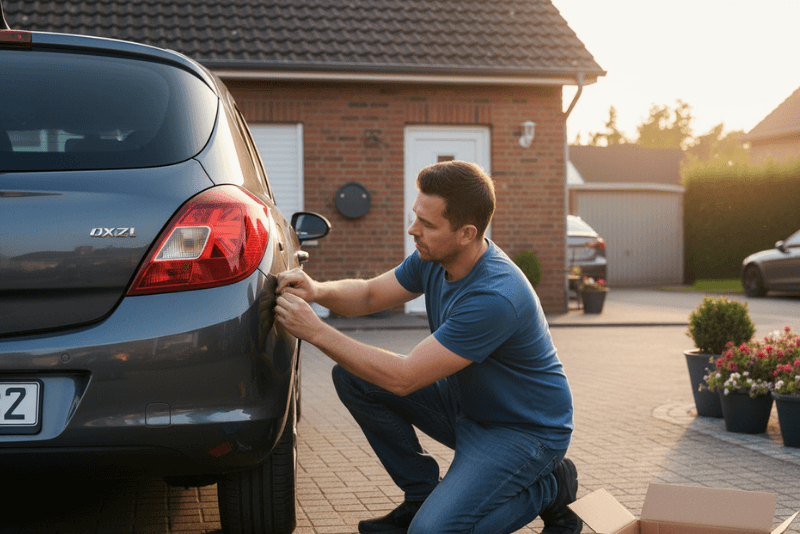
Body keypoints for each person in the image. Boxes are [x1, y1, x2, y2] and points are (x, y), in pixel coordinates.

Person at [275, 160, 581, 534]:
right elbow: (371, 294)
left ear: (467, 233)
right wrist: (318, 290)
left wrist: (316, 331)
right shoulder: (435, 258)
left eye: (428, 224)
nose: (413, 230)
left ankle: (551, 487)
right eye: (415, 216)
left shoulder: (495, 297)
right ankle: (421, 494)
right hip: (466, 405)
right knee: (355, 377)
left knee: (432, 532)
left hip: (522, 431)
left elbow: (405, 378)